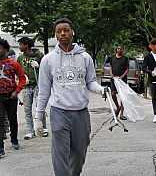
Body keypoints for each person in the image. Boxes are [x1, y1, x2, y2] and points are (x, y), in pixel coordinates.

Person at [34, 18, 105, 175]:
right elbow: (44, 90)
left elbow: (91, 82)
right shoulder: (48, 60)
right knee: (60, 154)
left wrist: (100, 89)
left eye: (65, 30)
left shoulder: (85, 57)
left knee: (79, 152)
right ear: (56, 35)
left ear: (72, 32)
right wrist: (38, 118)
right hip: (59, 111)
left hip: (81, 112)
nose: (62, 34)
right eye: (59, 32)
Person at [17, 37, 48, 140]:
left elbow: (46, 70)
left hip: (37, 85)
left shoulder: (39, 55)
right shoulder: (20, 58)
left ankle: (43, 128)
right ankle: (31, 131)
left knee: (40, 107)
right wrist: (22, 78)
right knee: (27, 109)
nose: (19, 47)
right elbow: (18, 71)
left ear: (26, 45)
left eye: (21, 45)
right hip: (26, 87)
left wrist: (39, 67)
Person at [0, 38, 26, 158]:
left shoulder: (13, 64)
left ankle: (14, 139)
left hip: (11, 95)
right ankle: (0, 146)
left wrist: (17, 91)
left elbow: (22, 78)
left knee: (12, 118)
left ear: (5, 50)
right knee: (0, 121)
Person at [110, 44, 129, 120]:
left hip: (122, 79)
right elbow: (111, 66)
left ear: (123, 50)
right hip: (114, 78)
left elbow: (127, 69)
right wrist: (111, 74)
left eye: (121, 49)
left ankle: (121, 113)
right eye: (118, 49)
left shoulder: (125, 58)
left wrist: (122, 76)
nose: (119, 50)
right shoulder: (112, 57)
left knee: (122, 96)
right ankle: (117, 106)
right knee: (113, 94)